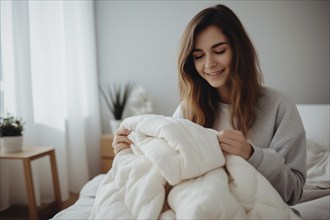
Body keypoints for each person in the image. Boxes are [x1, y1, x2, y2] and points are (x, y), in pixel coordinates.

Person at [112, 4, 306, 206]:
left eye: (219, 51)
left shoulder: (279, 106)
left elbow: (293, 191)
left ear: (239, 50)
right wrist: (130, 151)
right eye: (199, 56)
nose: (209, 64)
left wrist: (250, 154)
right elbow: (164, 170)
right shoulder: (188, 109)